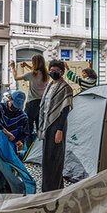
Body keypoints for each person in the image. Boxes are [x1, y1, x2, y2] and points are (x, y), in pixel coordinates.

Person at [39, 60, 73, 192]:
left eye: (57, 70)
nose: (54, 72)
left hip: (57, 125)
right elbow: (44, 107)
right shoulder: (48, 86)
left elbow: (64, 111)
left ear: (62, 72)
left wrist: (60, 130)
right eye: (52, 70)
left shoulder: (66, 88)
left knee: (56, 158)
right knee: (47, 158)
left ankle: (55, 189)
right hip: (47, 125)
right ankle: (48, 188)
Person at [12, 54, 48, 145]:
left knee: (28, 127)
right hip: (42, 103)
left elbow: (16, 78)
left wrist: (13, 67)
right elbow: (35, 71)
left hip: (32, 103)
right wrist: (27, 66)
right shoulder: (46, 74)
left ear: (34, 63)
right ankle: (39, 149)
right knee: (40, 128)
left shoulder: (31, 74)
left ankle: (29, 149)